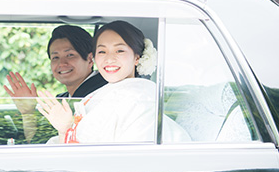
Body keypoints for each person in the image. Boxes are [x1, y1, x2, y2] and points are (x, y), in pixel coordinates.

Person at [36, 20, 190, 144]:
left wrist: (66, 129)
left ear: (137, 57)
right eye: (102, 51)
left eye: (119, 51)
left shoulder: (140, 100)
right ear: (94, 58)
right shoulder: (100, 95)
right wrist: (64, 130)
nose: (109, 59)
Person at [4, 25, 107, 142]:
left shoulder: (101, 96)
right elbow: (40, 141)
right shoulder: (62, 99)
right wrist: (28, 112)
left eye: (70, 55)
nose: (61, 63)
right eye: (55, 57)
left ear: (89, 59)